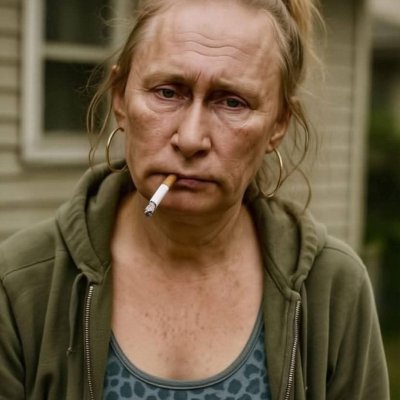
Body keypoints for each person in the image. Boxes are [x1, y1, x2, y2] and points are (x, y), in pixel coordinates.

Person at [0, 0, 389, 399]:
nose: (190, 138)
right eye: (168, 92)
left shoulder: (332, 290)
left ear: (278, 124)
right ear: (120, 98)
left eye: (232, 102)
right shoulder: (21, 285)